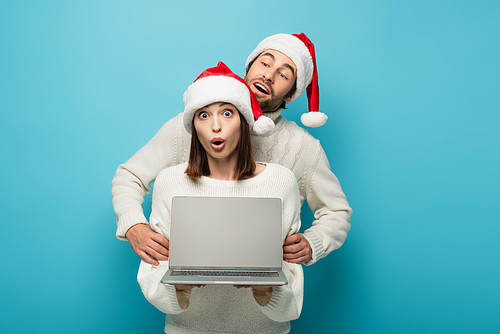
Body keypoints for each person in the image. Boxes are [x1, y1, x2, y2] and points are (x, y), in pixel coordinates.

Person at [112, 32, 352, 267]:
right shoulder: (192, 125)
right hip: (188, 292)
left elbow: (337, 211)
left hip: (265, 296)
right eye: (265, 63)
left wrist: (313, 243)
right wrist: (134, 225)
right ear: (247, 70)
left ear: (291, 94)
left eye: (283, 74)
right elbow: (129, 176)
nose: (268, 75)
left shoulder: (304, 148)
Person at [138, 62, 303, 334]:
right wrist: (177, 285)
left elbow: (292, 295)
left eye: (227, 113)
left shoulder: (281, 182)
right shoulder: (170, 182)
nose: (216, 126)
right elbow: (153, 275)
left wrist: (267, 289)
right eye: (203, 115)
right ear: (194, 126)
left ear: (244, 121)